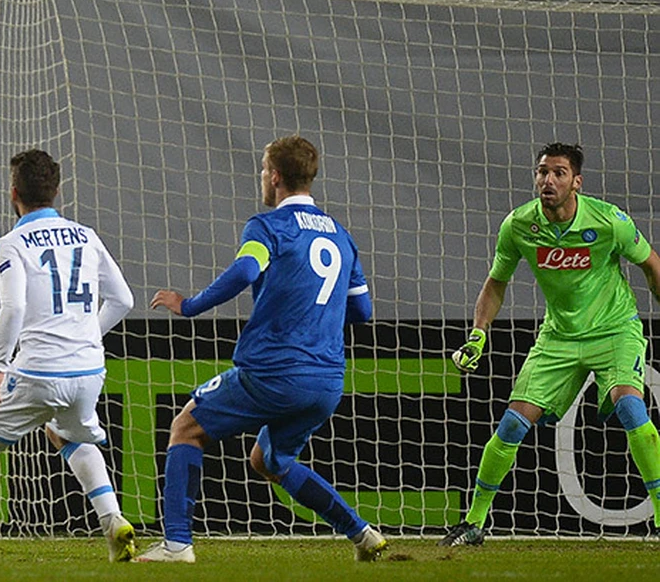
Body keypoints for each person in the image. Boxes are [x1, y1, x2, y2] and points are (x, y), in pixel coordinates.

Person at [136, 135, 388, 564]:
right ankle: (363, 535)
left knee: (186, 428)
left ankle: (177, 544)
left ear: (274, 176)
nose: (261, 176)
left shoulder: (268, 226)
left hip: (274, 373)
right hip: (326, 382)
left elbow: (246, 269)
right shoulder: (341, 237)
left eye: (263, 169)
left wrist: (189, 305)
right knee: (269, 460)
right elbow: (361, 310)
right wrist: (314, 318)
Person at [0, 149, 136, 565]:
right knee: (68, 433)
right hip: (89, 370)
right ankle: (113, 519)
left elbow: (14, 307)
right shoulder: (86, 235)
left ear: (13, 193)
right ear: (57, 191)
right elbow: (123, 299)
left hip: (38, 369)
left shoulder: (12, 243)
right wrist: (85, 336)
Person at [441, 142, 660, 546]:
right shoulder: (519, 225)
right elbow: (496, 283)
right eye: (542, 171)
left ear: (576, 182)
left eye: (559, 173)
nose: (548, 180)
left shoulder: (609, 222)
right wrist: (478, 334)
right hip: (558, 337)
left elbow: (651, 264)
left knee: (631, 406)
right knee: (512, 423)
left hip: (614, 330)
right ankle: (473, 523)